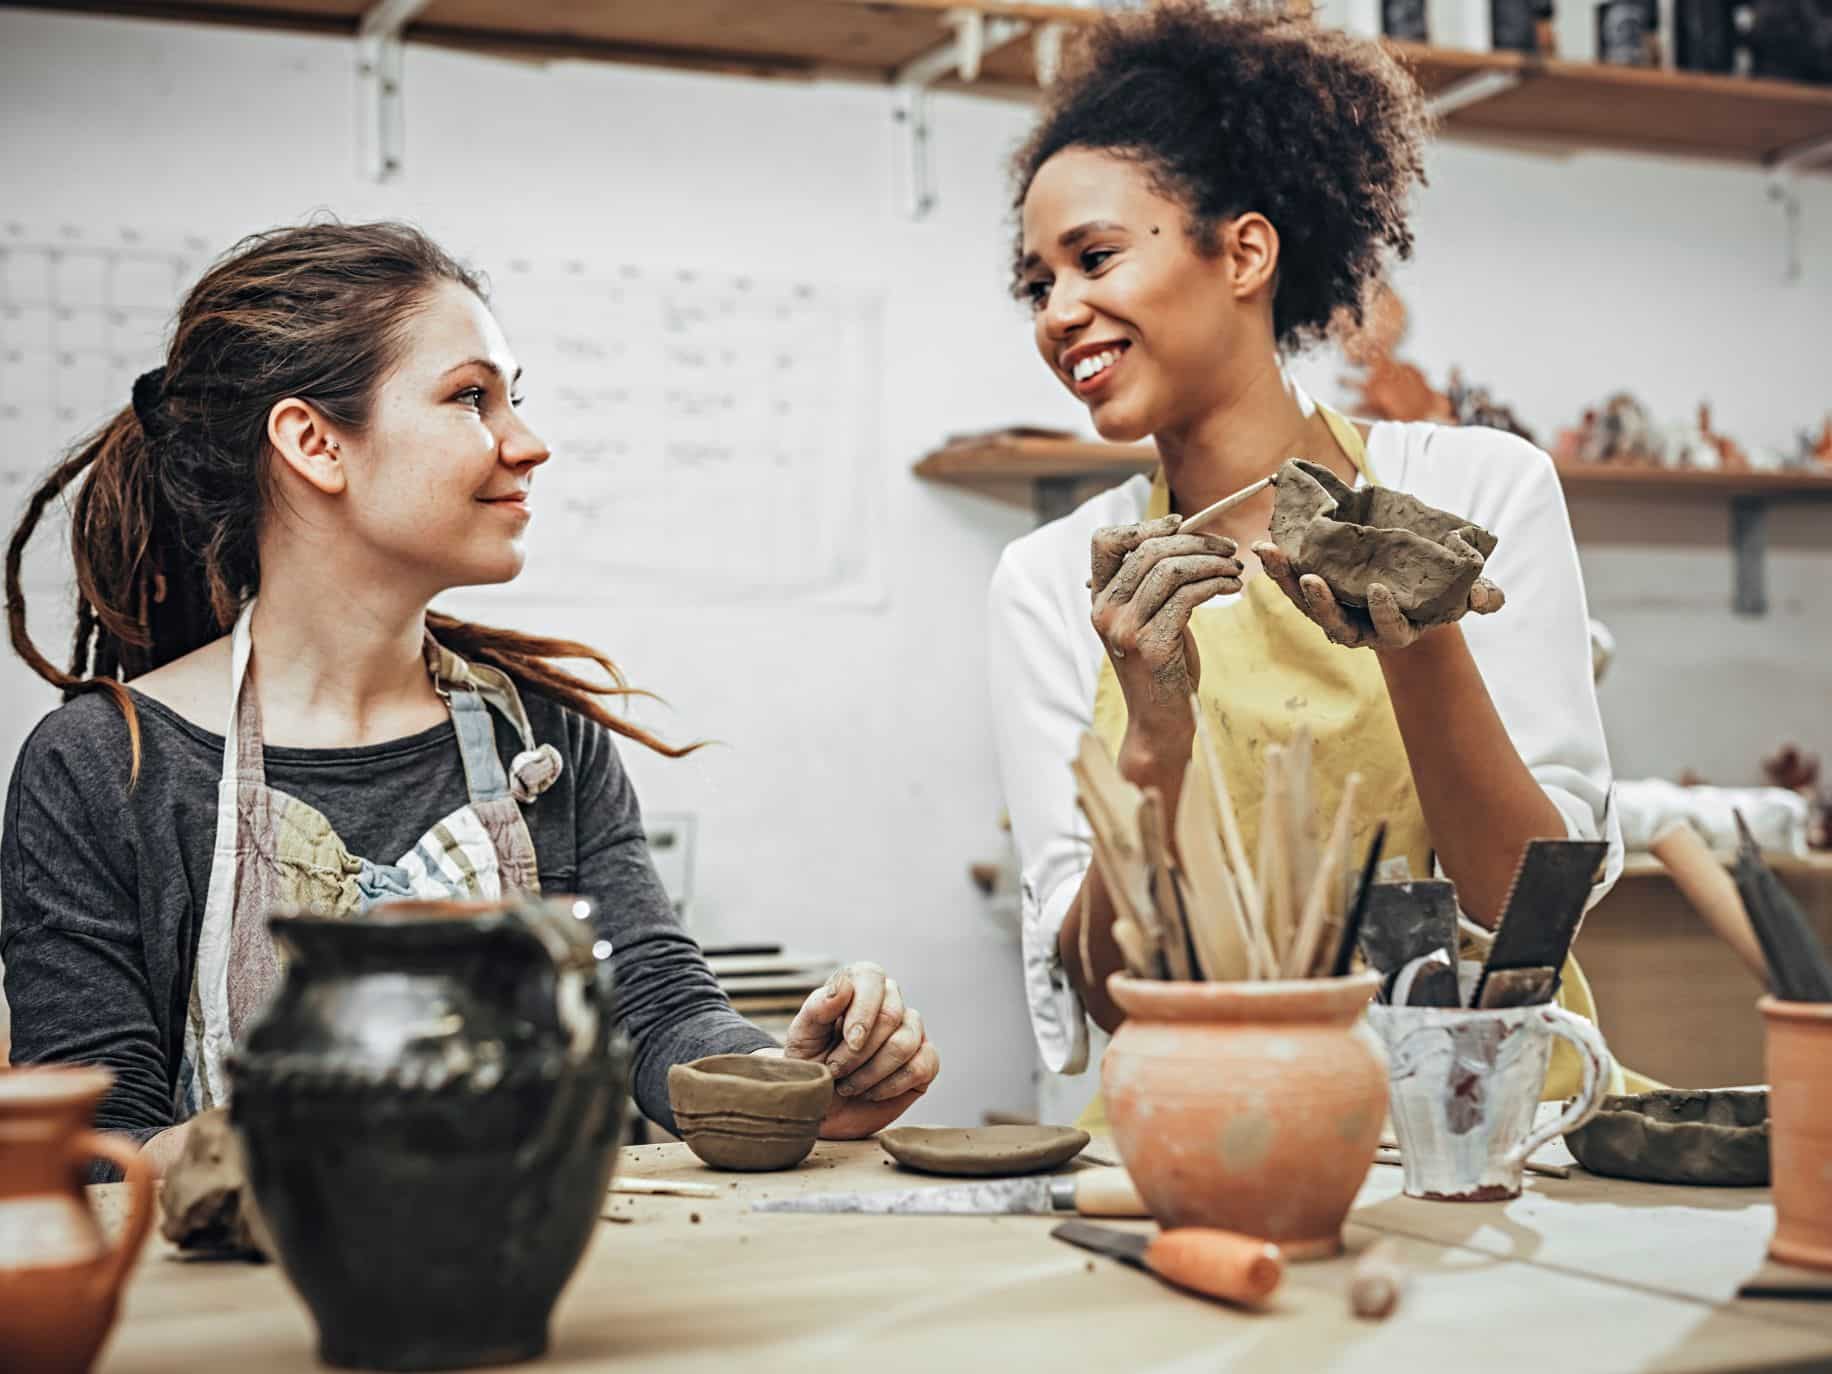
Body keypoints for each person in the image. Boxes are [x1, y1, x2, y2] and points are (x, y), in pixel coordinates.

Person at [2, 221, 938, 1174]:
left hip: (538, 1274)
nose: (528, 444)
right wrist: (349, 1130)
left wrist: (788, 1080)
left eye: (513, 399)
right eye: (471, 399)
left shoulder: (542, 735)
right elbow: (94, 1143)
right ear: (316, 442)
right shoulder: (100, 768)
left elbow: (653, 1004)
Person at [986, 4, 1639, 1120]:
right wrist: (1151, 738)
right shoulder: (1053, 581)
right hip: (1210, 1133)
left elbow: (1527, 910)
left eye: (1093, 258)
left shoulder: (1478, 490)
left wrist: (1419, 638)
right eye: (1035, 284)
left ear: (1242, 252)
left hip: (1483, 1137)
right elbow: (1105, 996)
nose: (1059, 312)